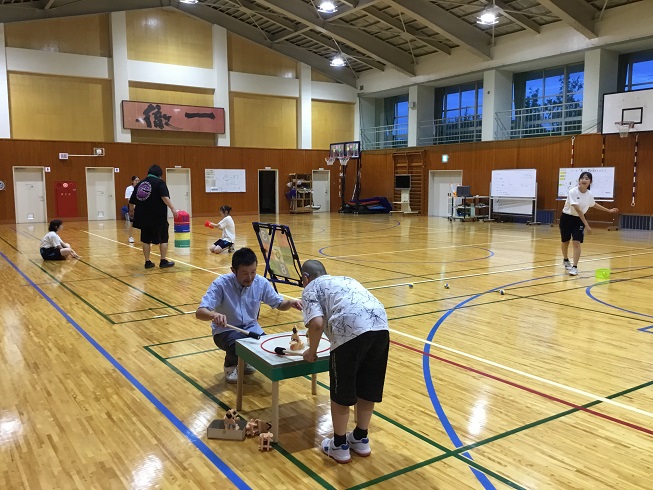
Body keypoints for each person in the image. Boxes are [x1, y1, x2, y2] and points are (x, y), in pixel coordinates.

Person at [300, 259, 389, 464]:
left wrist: (311, 352)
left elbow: (316, 324)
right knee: (367, 386)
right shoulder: (345, 279)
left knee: (341, 390)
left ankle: (339, 445)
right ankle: (360, 438)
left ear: (305, 278)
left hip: (349, 331)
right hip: (381, 326)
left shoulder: (310, 288)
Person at [195, 247, 302, 384]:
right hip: (226, 330)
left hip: (251, 328)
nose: (250, 277)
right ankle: (230, 366)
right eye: (244, 273)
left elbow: (279, 304)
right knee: (238, 344)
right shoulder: (221, 284)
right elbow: (200, 312)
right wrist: (214, 314)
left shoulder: (261, 283)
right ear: (233, 270)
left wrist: (290, 303)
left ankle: (245, 360)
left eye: (253, 272)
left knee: (264, 346)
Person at [560, 171, 618, 276]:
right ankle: (565, 259)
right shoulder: (573, 192)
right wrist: (587, 225)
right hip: (567, 218)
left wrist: (608, 210)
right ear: (579, 181)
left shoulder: (589, 194)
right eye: (582, 178)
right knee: (565, 241)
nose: (584, 180)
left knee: (576, 242)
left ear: (590, 182)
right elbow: (578, 209)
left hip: (579, 220)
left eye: (587, 178)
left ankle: (575, 267)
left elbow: (593, 204)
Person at [129, 165, 178, 269]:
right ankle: (163, 261)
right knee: (163, 238)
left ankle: (147, 262)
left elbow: (131, 201)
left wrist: (131, 211)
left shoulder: (140, 184)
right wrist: (173, 209)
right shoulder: (160, 182)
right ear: (159, 174)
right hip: (158, 216)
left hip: (143, 217)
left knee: (146, 239)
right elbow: (164, 197)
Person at [124, 175, 140, 243]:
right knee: (131, 223)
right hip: (132, 207)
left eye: (138, 180)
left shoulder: (141, 188)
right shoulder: (129, 188)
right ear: (133, 181)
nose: (137, 182)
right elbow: (128, 199)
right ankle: (130, 237)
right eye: (136, 180)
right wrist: (132, 207)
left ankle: (145, 237)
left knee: (143, 222)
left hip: (140, 207)